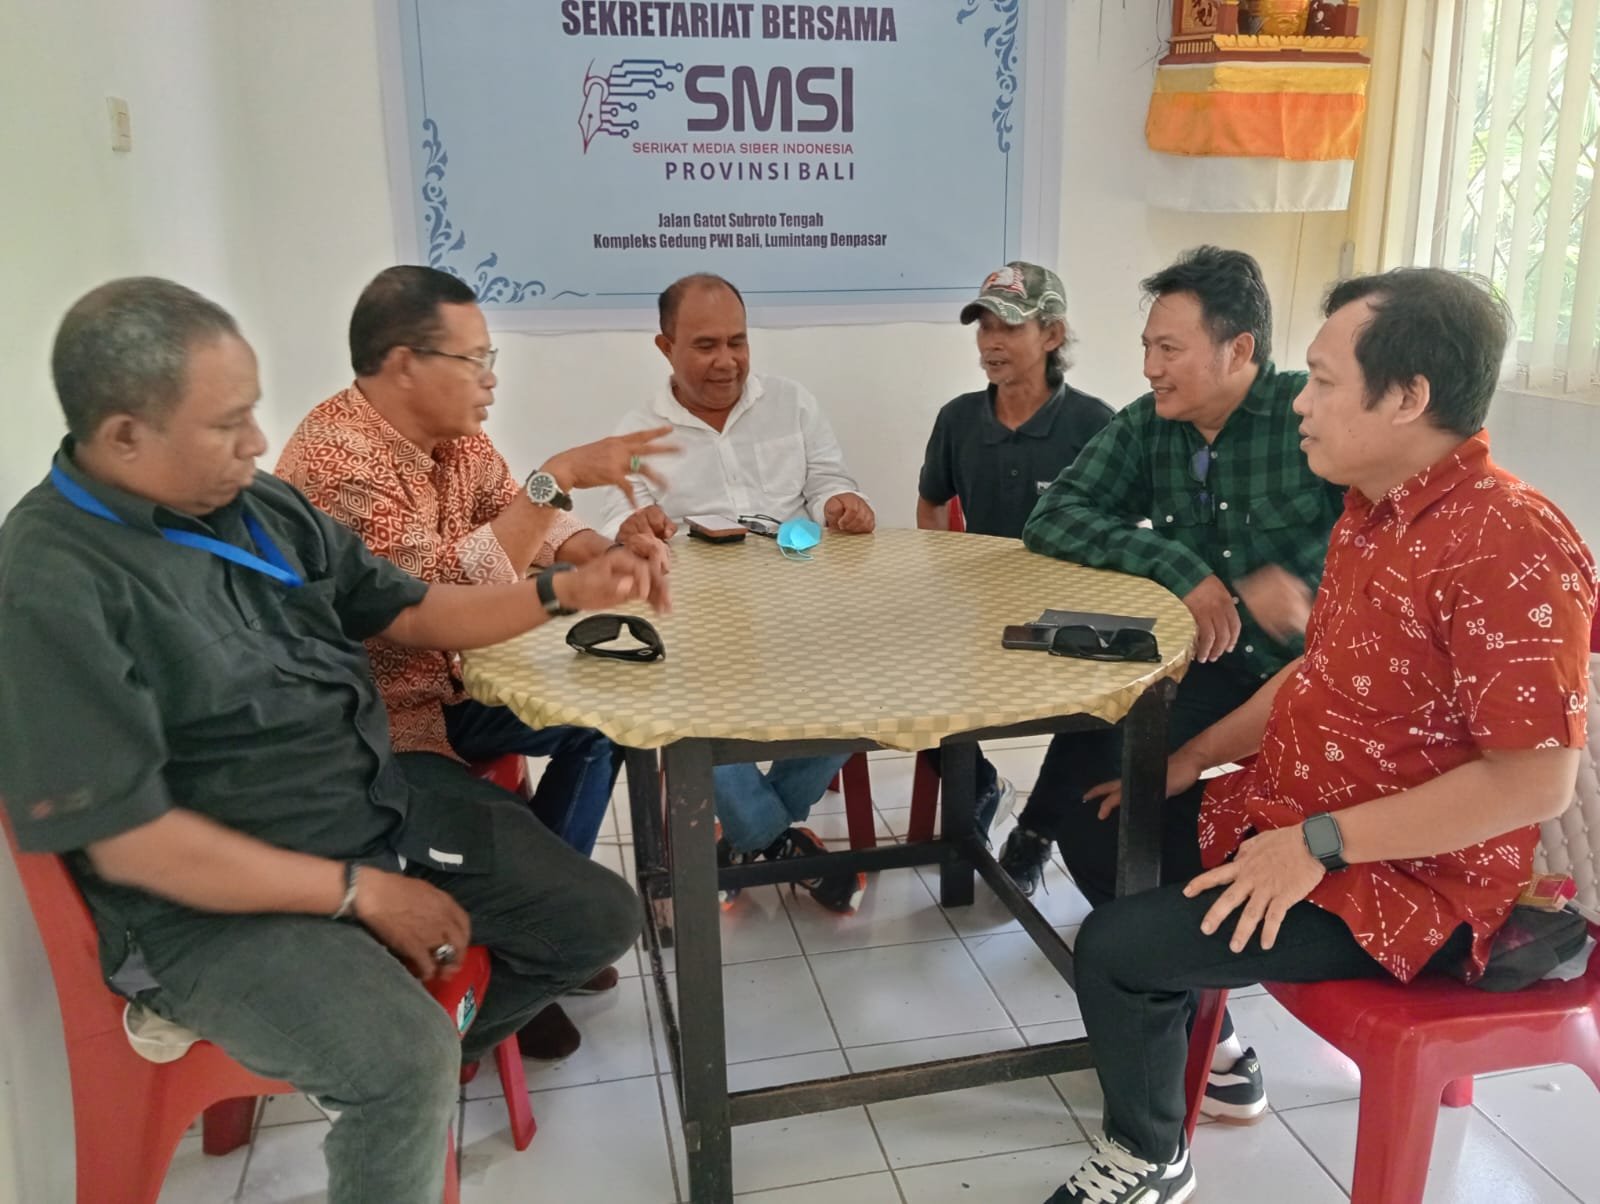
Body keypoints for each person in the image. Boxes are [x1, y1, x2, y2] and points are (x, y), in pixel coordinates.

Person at [0, 278, 663, 1204]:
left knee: (597, 919)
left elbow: (421, 609)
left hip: (374, 802)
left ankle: (409, 1054)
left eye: (252, 413)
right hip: (218, 906)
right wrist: (360, 894)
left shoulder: (259, 508)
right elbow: (135, 840)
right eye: (228, 424)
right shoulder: (52, 579)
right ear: (123, 436)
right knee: (402, 1062)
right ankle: (398, 1068)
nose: (260, 443)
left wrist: (564, 592)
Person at [1041, 267, 1596, 1203]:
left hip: (1411, 877)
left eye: (1327, 381)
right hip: (1299, 820)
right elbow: (1316, 672)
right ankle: (1193, 1033)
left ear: (1408, 396)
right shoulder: (1372, 514)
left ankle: (1149, 1155)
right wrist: (1185, 762)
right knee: (1103, 820)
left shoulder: (1508, 543)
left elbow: (1531, 785)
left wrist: (1317, 846)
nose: (1304, 406)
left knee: (1116, 947)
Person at [276, 265, 673, 1057]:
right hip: (381, 734)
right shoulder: (336, 465)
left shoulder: (453, 438)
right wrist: (556, 481)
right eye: (475, 360)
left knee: (598, 721)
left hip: (447, 685)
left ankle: (530, 929)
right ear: (403, 364)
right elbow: (437, 598)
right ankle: (454, 1031)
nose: (491, 381)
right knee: (598, 913)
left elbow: (520, 520)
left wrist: (609, 550)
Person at [1010, 247, 1346, 1122]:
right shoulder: (1151, 422)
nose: (1150, 367)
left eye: (1170, 349)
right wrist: (1183, 570)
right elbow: (1054, 517)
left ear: (1240, 353)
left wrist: (1301, 580)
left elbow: (1374, 533)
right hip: (1207, 671)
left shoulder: (1306, 419)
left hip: (1309, 691)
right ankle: (1199, 1016)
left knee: (1163, 813)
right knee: (1095, 794)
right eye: (1148, 348)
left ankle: (1176, 999)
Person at [597, 272, 872, 913]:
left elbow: (829, 477)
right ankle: (775, 841)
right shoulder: (641, 431)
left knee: (865, 686)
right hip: (703, 623)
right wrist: (632, 525)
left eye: (738, 342)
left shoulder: (792, 401)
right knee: (688, 720)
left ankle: (756, 837)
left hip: (801, 598)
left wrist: (840, 501)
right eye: (705, 346)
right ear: (666, 348)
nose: (728, 362)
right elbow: (616, 518)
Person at [916, 261, 1114, 828]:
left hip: (1065, 616)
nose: (991, 343)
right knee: (902, 677)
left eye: (1009, 327)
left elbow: (1122, 525)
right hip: (979, 612)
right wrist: (945, 573)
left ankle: (1038, 832)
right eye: (983, 328)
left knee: (1108, 714)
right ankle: (980, 789)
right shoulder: (957, 419)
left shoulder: (1094, 423)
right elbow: (930, 504)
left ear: (1051, 334)